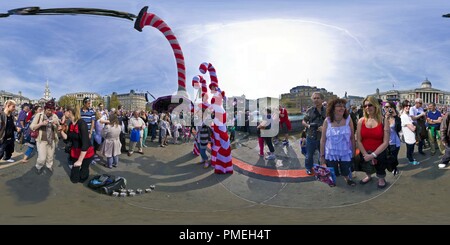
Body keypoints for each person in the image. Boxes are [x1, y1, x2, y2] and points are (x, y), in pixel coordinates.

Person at [320, 98, 356, 186]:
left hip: (345, 151)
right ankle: (332, 179)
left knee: (345, 168)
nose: (342, 108)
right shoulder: (327, 121)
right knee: (333, 169)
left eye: (344, 106)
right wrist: (322, 156)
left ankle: (347, 178)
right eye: (339, 106)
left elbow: (352, 137)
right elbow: (323, 140)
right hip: (331, 152)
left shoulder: (348, 119)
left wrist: (354, 151)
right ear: (332, 108)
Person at [357, 96, 390, 188]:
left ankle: (381, 178)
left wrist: (373, 155)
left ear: (375, 106)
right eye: (365, 106)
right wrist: (365, 154)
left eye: (370, 105)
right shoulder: (360, 121)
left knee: (380, 167)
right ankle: (368, 176)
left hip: (379, 151)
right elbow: (358, 140)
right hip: (364, 151)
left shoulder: (384, 120)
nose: (367, 107)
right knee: (366, 166)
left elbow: (386, 142)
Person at [59, 105, 95, 183]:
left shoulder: (82, 123)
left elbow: (85, 144)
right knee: (74, 179)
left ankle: (84, 175)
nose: (64, 112)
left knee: (83, 174)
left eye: (65, 111)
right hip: (75, 151)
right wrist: (61, 131)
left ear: (69, 112)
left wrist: (80, 160)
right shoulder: (71, 124)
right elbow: (68, 138)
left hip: (85, 152)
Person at [30, 99, 60, 174]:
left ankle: (49, 166)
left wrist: (56, 124)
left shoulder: (55, 116)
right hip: (42, 140)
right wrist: (41, 124)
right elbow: (32, 127)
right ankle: (38, 166)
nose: (50, 112)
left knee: (50, 156)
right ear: (45, 109)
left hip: (52, 140)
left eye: (51, 110)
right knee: (42, 158)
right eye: (48, 110)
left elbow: (58, 128)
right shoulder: (39, 115)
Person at [302, 92, 326, 175]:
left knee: (323, 154)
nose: (316, 100)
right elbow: (303, 121)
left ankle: (321, 167)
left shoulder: (327, 111)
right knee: (309, 154)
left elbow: (332, 122)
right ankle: (308, 168)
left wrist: (325, 127)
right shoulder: (310, 110)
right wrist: (308, 126)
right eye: (314, 98)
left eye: (318, 98)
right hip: (311, 136)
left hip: (323, 137)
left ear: (322, 99)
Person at [383, 101, 402, 174]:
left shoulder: (396, 118)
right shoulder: (382, 118)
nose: (387, 109)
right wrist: (385, 118)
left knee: (394, 156)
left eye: (389, 107)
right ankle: (391, 166)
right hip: (385, 141)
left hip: (394, 141)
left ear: (393, 108)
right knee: (388, 156)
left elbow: (399, 129)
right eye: (386, 107)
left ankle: (394, 167)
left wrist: (395, 116)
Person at [400, 100, 419, 165]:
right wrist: (415, 126)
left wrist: (413, 125)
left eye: (409, 105)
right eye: (406, 105)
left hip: (410, 136)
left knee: (410, 149)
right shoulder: (404, 116)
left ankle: (410, 158)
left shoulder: (407, 115)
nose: (408, 107)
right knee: (410, 149)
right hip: (409, 136)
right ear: (403, 106)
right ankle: (411, 160)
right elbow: (413, 128)